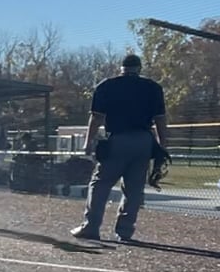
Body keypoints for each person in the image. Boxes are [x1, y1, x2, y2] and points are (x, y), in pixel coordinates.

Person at [72, 53, 168, 242]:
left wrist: (88, 142)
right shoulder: (153, 87)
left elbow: (96, 117)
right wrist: (163, 145)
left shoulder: (107, 85)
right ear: (139, 68)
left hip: (118, 138)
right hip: (143, 140)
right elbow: (160, 119)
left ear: (121, 68)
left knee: (100, 183)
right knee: (134, 188)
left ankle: (91, 227)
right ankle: (124, 231)